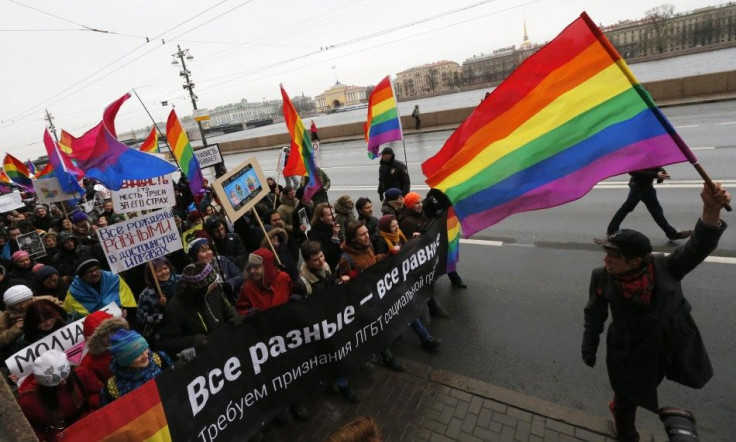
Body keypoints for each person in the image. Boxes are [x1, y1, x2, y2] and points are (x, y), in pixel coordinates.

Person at [582, 183, 730, 442]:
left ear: (636, 261)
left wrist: (711, 209)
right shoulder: (601, 278)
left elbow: (698, 246)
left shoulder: (666, 268)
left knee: (648, 384)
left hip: (666, 345)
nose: (605, 261)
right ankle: (626, 432)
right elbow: (594, 315)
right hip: (628, 351)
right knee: (626, 398)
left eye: (613, 257)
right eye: (606, 254)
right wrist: (589, 346)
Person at [16, 350, 101, 442]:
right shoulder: (28, 401)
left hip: (91, 422)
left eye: (66, 377)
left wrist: (94, 413)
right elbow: (31, 426)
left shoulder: (81, 374)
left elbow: (97, 393)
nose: (64, 383)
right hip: (62, 437)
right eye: (57, 382)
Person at [158, 262, 240, 357]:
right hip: (204, 356)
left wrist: (234, 315)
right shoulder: (174, 308)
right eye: (212, 284)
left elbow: (226, 308)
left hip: (225, 345)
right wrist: (194, 341)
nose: (216, 284)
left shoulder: (215, 289)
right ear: (201, 288)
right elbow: (170, 342)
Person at [607, 167, 692, 240]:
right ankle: (611, 231)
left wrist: (662, 172)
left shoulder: (649, 154)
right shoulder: (637, 154)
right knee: (627, 208)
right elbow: (633, 171)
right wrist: (656, 175)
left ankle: (671, 233)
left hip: (647, 187)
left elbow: (656, 166)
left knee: (656, 211)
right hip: (638, 187)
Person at [100, 329, 173, 406]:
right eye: (137, 355)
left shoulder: (160, 359)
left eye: (145, 349)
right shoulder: (112, 389)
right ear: (124, 360)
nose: (145, 356)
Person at [63, 258, 136, 317]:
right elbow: (71, 315)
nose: (94, 273)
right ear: (82, 276)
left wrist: (125, 311)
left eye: (96, 269)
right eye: (89, 272)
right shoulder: (74, 291)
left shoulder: (114, 278)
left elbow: (127, 300)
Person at [136, 257, 181, 343]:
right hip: (165, 334)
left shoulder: (180, 280)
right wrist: (160, 311)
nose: (164, 272)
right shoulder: (145, 295)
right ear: (152, 274)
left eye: (165, 268)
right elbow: (141, 318)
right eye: (159, 271)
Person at [236, 248, 292, 314]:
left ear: (267, 267)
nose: (252, 271)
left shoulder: (284, 278)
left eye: (256, 267)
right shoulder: (248, 287)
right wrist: (248, 314)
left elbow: (291, 294)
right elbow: (240, 309)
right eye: (251, 266)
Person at [80, 311, 129, 383]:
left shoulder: (127, 341)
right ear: (95, 339)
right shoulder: (87, 365)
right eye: (104, 334)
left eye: (113, 330)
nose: (111, 335)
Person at [307, 203, 342, 271]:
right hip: (326, 267)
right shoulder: (313, 233)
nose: (334, 216)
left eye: (334, 213)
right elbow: (327, 255)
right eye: (330, 215)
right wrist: (335, 236)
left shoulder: (334, 227)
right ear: (321, 217)